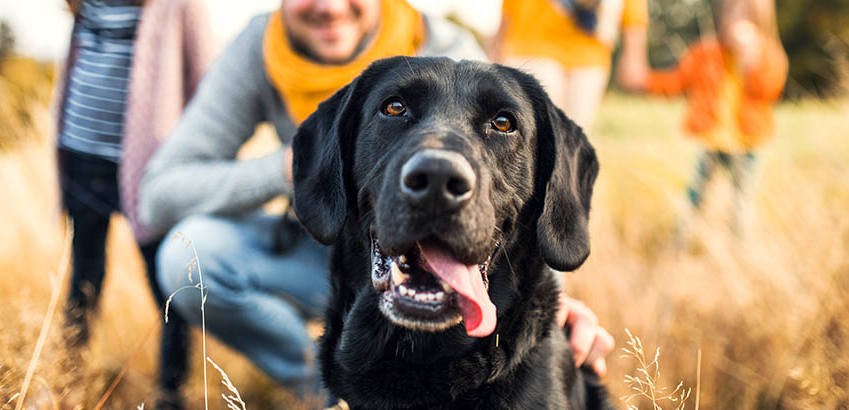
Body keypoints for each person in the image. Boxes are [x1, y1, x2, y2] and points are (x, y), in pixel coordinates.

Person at [140, 0, 616, 403]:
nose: (329, 7)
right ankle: (331, 391)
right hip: (337, 244)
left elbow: (519, 188)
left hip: (468, 261)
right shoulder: (261, 48)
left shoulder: (450, 48)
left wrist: (553, 301)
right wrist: (290, 169)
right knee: (189, 253)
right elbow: (158, 196)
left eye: (500, 123)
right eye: (394, 109)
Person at [50, 0, 214, 406]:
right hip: (82, 154)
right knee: (84, 279)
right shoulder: (86, 5)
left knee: (171, 286)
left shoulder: (178, 6)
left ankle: (171, 393)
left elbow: (210, 83)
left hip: (150, 170)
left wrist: (194, 163)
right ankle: (68, 385)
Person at [638, 0, 787, 234]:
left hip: (747, 143)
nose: (737, 21)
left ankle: (739, 245)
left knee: (741, 200)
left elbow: (770, 90)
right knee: (695, 195)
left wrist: (752, 61)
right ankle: (680, 239)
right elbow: (677, 81)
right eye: (732, 13)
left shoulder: (768, 54)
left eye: (746, 15)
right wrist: (644, 81)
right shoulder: (706, 53)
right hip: (713, 139)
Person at [494, 0, 650, 128]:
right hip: (533, 45)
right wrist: (496, 47)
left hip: (590, 52)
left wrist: (634, 55)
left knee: (575, 134)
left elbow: (633, 8)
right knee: (540, 130)